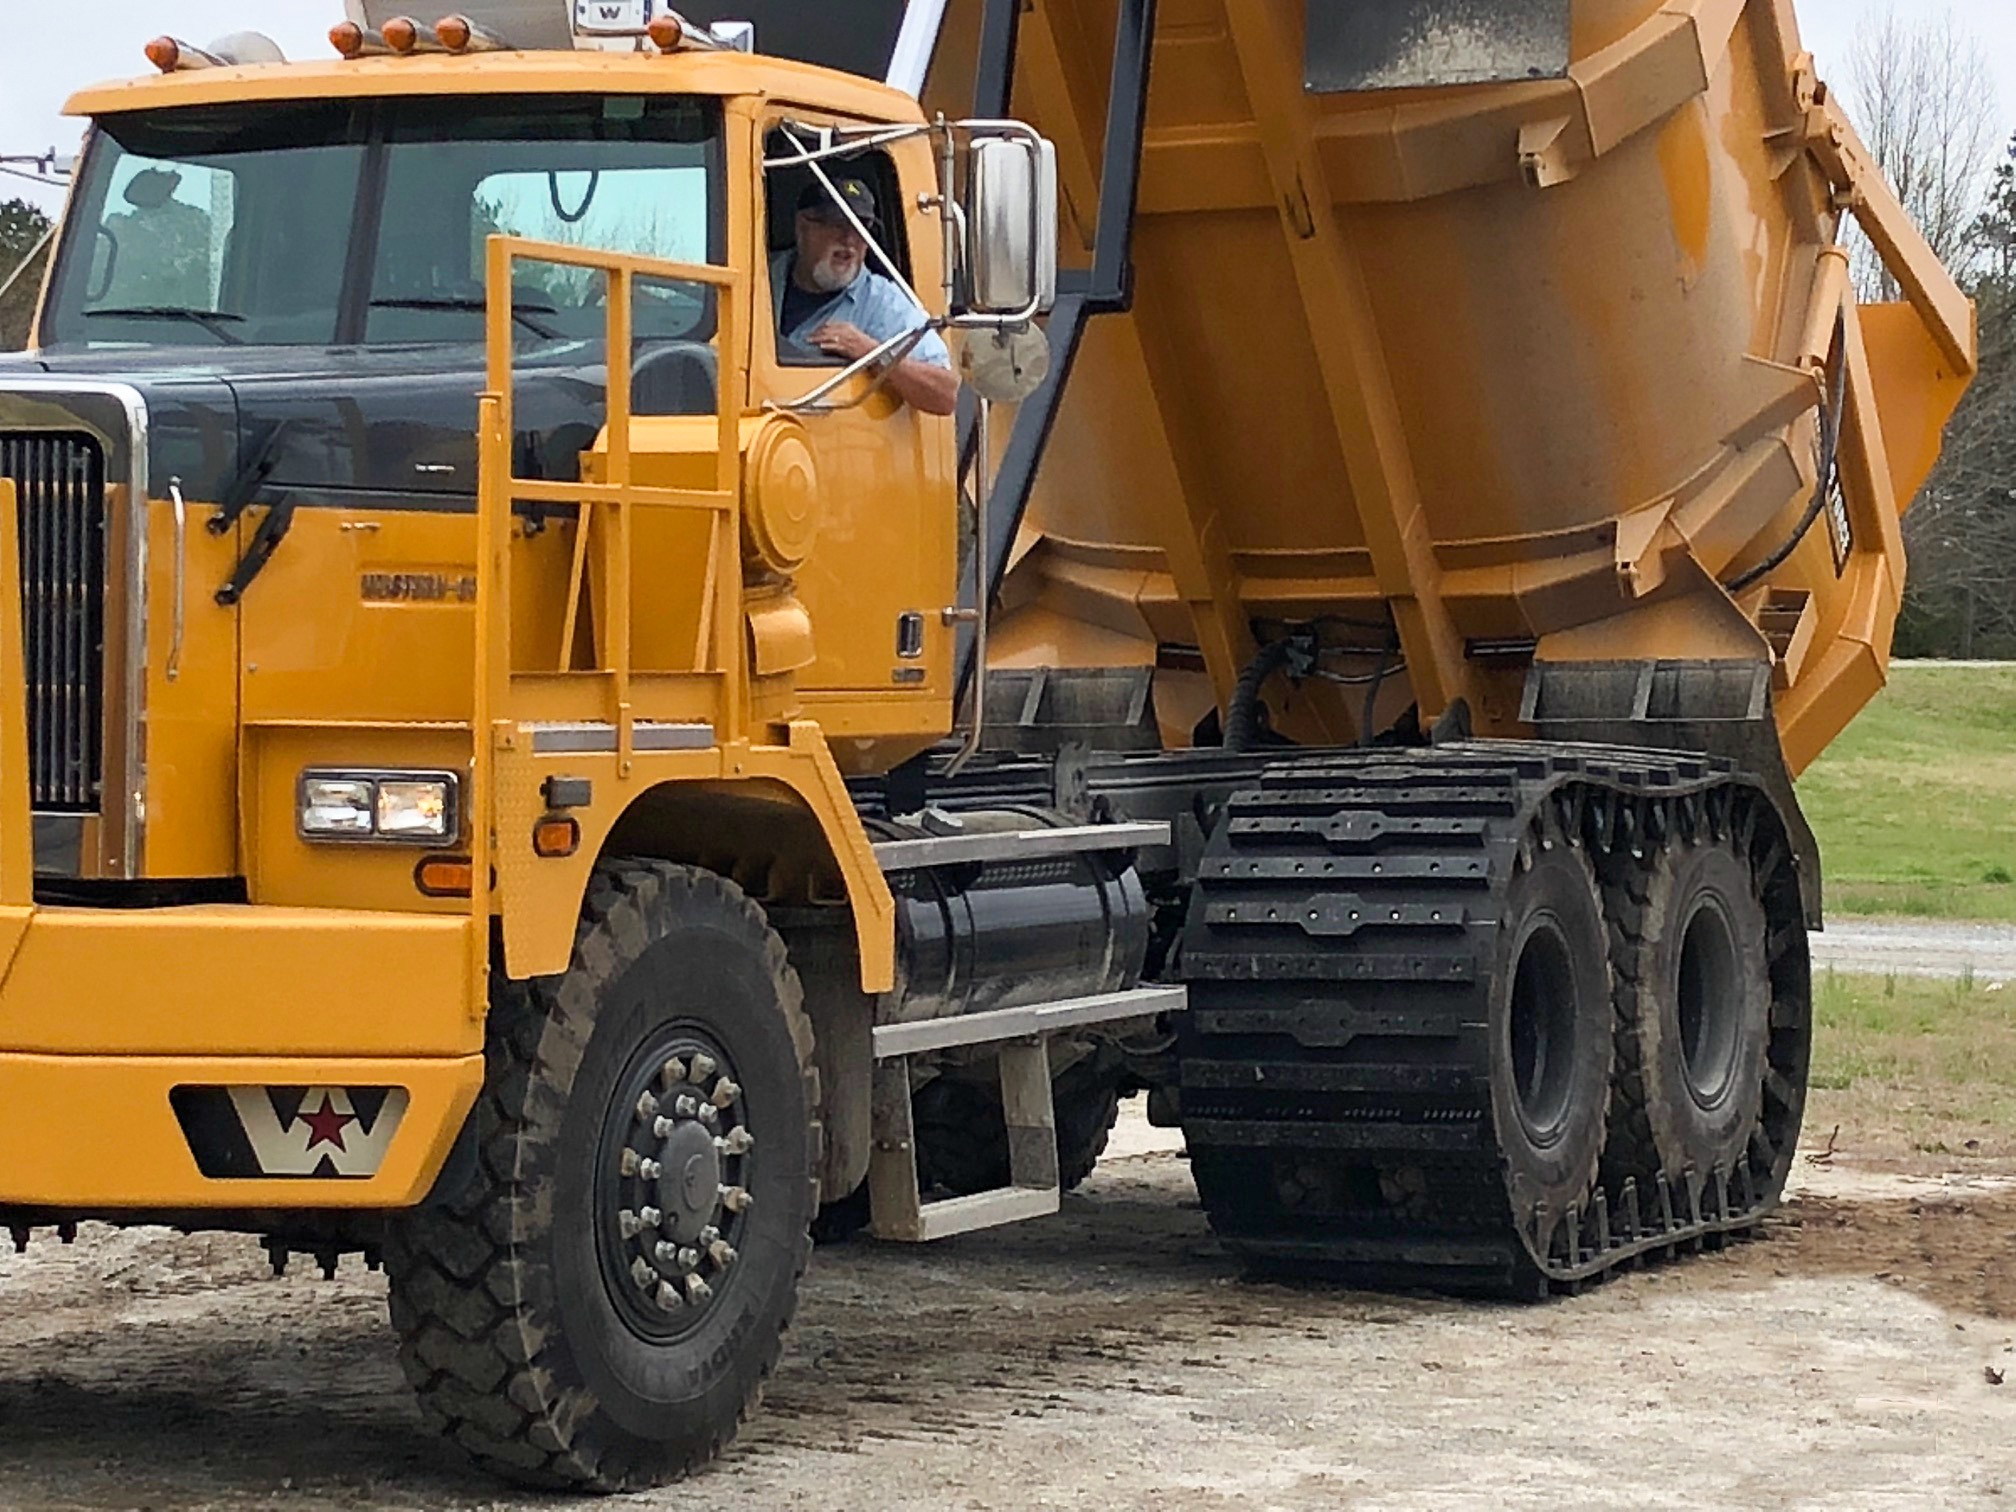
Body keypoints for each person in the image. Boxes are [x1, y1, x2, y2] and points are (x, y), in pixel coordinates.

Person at [774, 177, 960, 417]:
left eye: (862, 228)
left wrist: (871, 352)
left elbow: (944, 393)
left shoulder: (883, 302)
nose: (850, 240)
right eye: (837, 224)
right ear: (803, 226)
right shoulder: (761, 273)